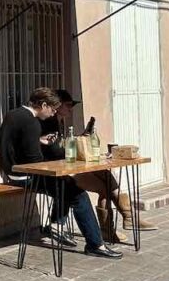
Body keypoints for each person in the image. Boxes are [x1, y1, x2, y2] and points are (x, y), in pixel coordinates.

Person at [0, 87, 121, 259]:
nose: (52, 114)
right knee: (77, 194)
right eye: (52, 109)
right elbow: (35, 163)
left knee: (67, 185)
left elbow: (17, 145)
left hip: (13, 173)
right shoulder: (31, 122)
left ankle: (59, 225)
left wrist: (39, 140)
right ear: (43, 105)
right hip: (24, 177)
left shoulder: (14, 114)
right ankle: (95, 244)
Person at [41, 90, 157, 241]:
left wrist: (81, 140)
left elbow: (64, 148)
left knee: (107, 175)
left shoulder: (59, 122)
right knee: (105, 187)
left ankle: (127, 219)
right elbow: (56, 151)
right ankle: (118, 225)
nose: (70, 109)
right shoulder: (50, 123)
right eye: (68, 105)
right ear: (57, 105)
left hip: (69, 165)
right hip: (58, 170)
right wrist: (77, 145)